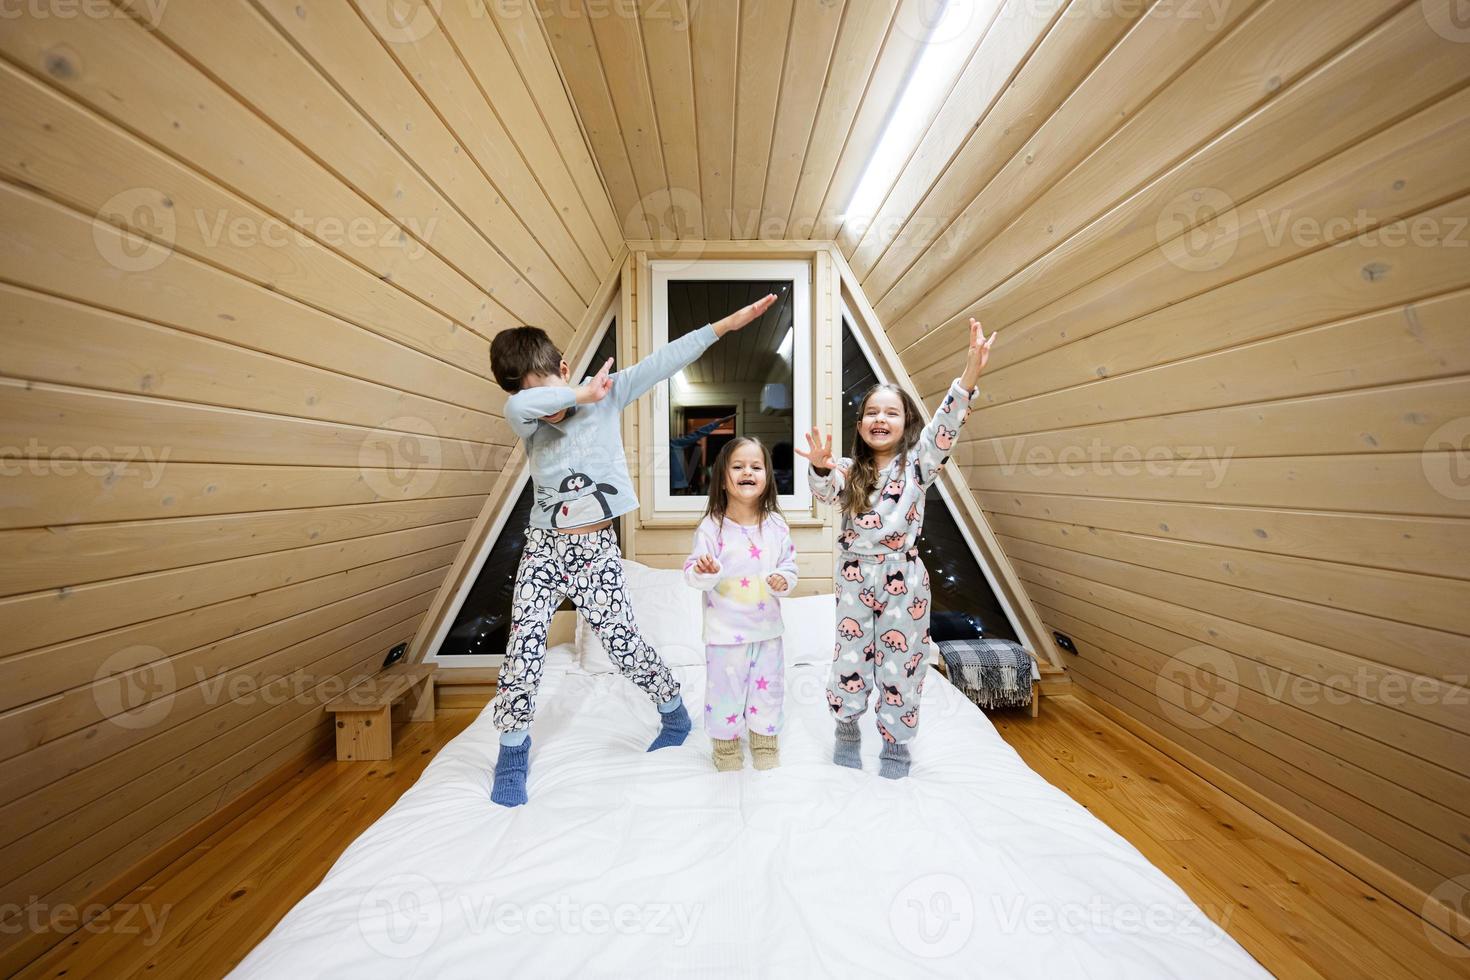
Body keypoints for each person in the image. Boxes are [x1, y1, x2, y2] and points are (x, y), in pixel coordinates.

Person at [485, 292, 777, 806]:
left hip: (595, 548)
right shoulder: (531, 415)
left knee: (624, 644)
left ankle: (673, 711)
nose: (550, 407)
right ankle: (512, 750)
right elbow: (518, 403)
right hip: (543, 550)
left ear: (565, 367)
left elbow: (666, 360)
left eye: (551, 389)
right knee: (523, 649)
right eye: (540, 398)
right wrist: (575, 397)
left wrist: (725, 326)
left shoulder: (610, 392)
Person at [797, 318, 996, 779]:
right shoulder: (848, 470)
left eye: (891, 413)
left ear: (906, 423)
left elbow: (946, 427)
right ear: (861, 423)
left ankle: (896, 744)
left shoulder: (918, 466)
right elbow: (826, 495)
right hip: (854, 578)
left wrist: (968, 374)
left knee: (902, 662)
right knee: (850, 657)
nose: (880, 419)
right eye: (871, 413)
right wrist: (823, 470)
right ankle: (847, 729)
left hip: (904, 580)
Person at [683, 438, 799, 772]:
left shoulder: (776, 525)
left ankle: (764, 741)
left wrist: (783, 580)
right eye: (738, 466)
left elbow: (789, 567)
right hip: (724, 635)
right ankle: (726, 749)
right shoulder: (711, 527)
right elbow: (693, 574)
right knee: (725, 695)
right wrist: (705, 572)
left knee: (769, 691)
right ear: (722, 478)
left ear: (767, 477)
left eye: (755, 466)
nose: (747, 471)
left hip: (767, 633)